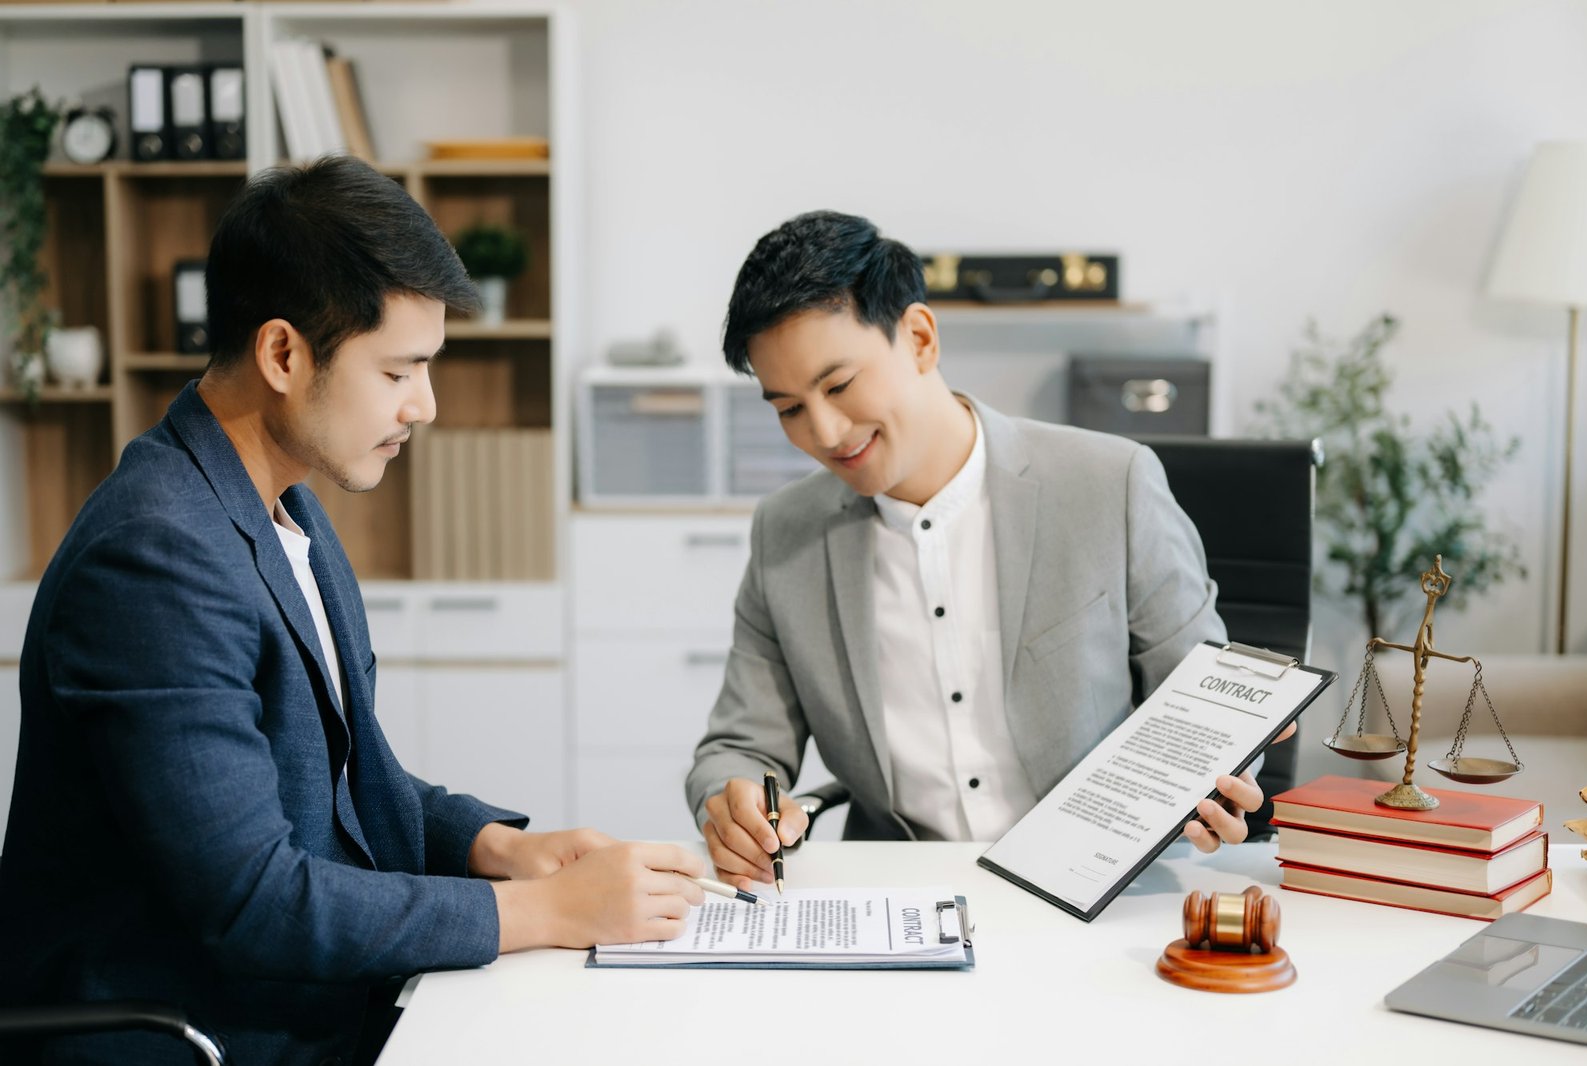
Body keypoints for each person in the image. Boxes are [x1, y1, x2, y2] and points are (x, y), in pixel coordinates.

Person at [0, 156, 704, 1065]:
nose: (427, 405)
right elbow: (254, 900)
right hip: (191, 1031)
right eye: (401, 370)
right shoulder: (154, 556)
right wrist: (539, 914)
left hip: (293, 1000)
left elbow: (343, 781)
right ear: (284, 354)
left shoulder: (281, 505)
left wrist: (494, 848)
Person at [686, 210, 1293, 887]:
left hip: (1102, 890)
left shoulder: (1108, 484)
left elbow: (1207, 708)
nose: (824, 431)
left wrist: (1223, 772)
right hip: (899, 899)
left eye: (838, 385)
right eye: (789, 409)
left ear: (918, 338)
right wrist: (732, 800)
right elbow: (739, 746)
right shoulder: (785, 533)